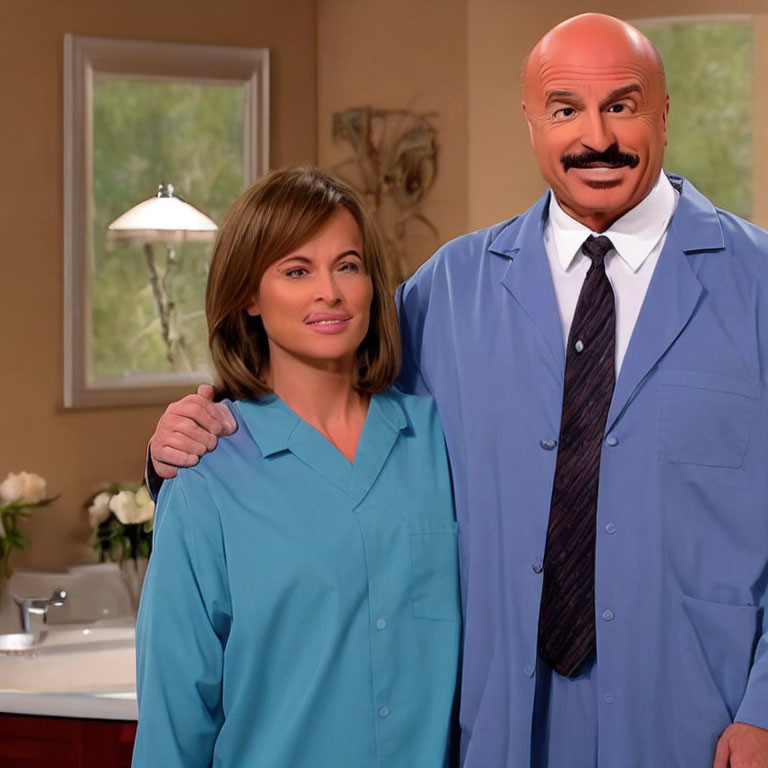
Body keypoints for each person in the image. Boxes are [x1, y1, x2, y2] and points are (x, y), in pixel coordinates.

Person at [147, 14, 768, 768]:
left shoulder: (756, 282)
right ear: (532, 121)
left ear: (664, 114)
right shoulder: (451, 288)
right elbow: (325, 361)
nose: (595, 136)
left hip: (698, 724)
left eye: (623, 105)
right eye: (566, 108)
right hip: (503, 731)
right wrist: (187, 440)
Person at [133, 166, 460, 768]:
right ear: (249, 298)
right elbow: (175, 713)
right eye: (296, 270)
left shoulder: (440, 442)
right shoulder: (207, 478)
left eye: (348, 265)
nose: (329, 292)